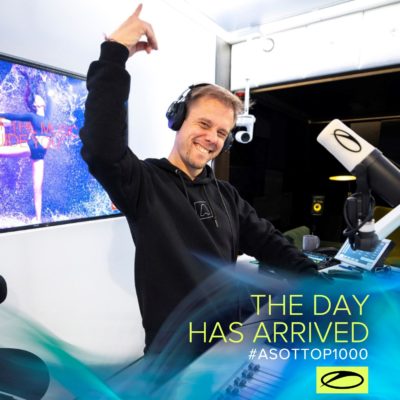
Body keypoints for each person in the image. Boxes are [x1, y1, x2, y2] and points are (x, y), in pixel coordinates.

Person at [80, 3, 320, 370]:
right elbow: (101, 148)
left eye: (222, 132)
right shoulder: (144, 183)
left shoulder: (225, 195)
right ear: (178, 120)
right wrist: (114, 53)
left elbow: (271, 245)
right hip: (174, 360)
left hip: (229, 348)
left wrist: (322, 286)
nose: (212, 138)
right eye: (204, 124)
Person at [0, 71, 53, 223]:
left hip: (40, 154)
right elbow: (15, 116)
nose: (40, 98)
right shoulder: (32, 116)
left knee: (38, 187)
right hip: (33, 146)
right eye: (37, 98)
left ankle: (38, 219)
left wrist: (45, 81)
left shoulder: (48, 115)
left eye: (40, 97)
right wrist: (2, 114)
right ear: (35, 104)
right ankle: (1, 126)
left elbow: (49, 98)